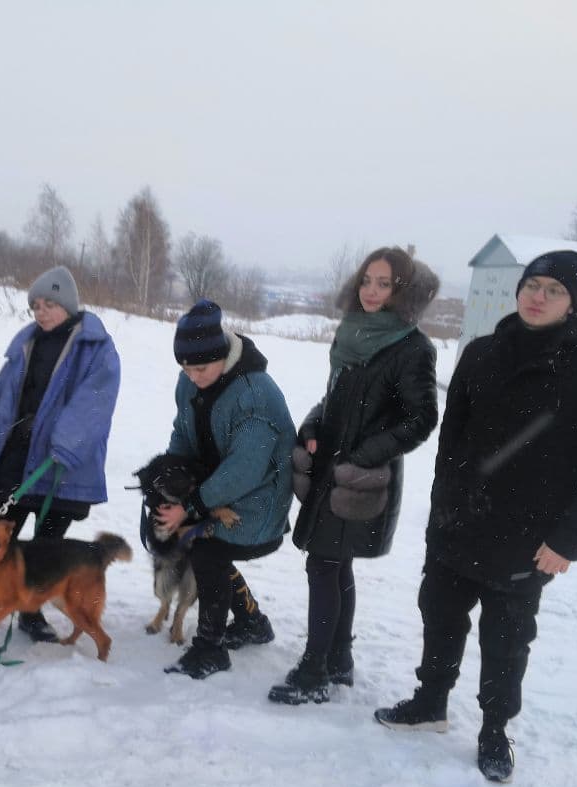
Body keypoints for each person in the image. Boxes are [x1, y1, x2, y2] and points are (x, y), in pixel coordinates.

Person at [374, 250, 577, 782]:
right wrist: (442, 506)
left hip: (528, 541)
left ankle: (494, 730)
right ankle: (431, 702)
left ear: (573, 302)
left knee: (507, 640)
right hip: (458, 526)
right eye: (532, 285)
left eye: (554, 290)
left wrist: (569, 542)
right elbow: (453, 440)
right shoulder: (482, 352)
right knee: (439, 618)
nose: (538, 297)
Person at [270, 248, 440, 705]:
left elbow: (422, 418)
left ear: (401, 292)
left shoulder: (411, 346)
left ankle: (314, 672)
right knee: (335, 561)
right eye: (367, 280)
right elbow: (334, 398)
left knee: (323, 564)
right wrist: (311, 426)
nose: (371, 291)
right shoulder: (353, 333)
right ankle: (338, 659)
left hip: (361, 477)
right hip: (331, 467)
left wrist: (364, 457)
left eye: (384, 283)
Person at [0, 265, 121, 644]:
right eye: (36, 305)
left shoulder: (96, 348)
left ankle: (31, 609)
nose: (41, 312)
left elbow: (95, 404)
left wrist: (65, 446)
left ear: (69, 305)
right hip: (17, 458)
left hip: (60, 465)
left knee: (47, 547)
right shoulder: (25, 344)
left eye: (50, 304)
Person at [160, 300, 296, 680]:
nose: (192, 375)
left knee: (206, 549)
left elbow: (246, 469)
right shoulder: (189, 382)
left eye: (200, 367)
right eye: (184, 367)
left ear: (222, 356)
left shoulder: (255, 394)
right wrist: (170, 481)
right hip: (215, 490)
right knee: (188, 539)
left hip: (258, 502)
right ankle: (252, 622)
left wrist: (191, 505)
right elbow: (182, 433)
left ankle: (210, 648)